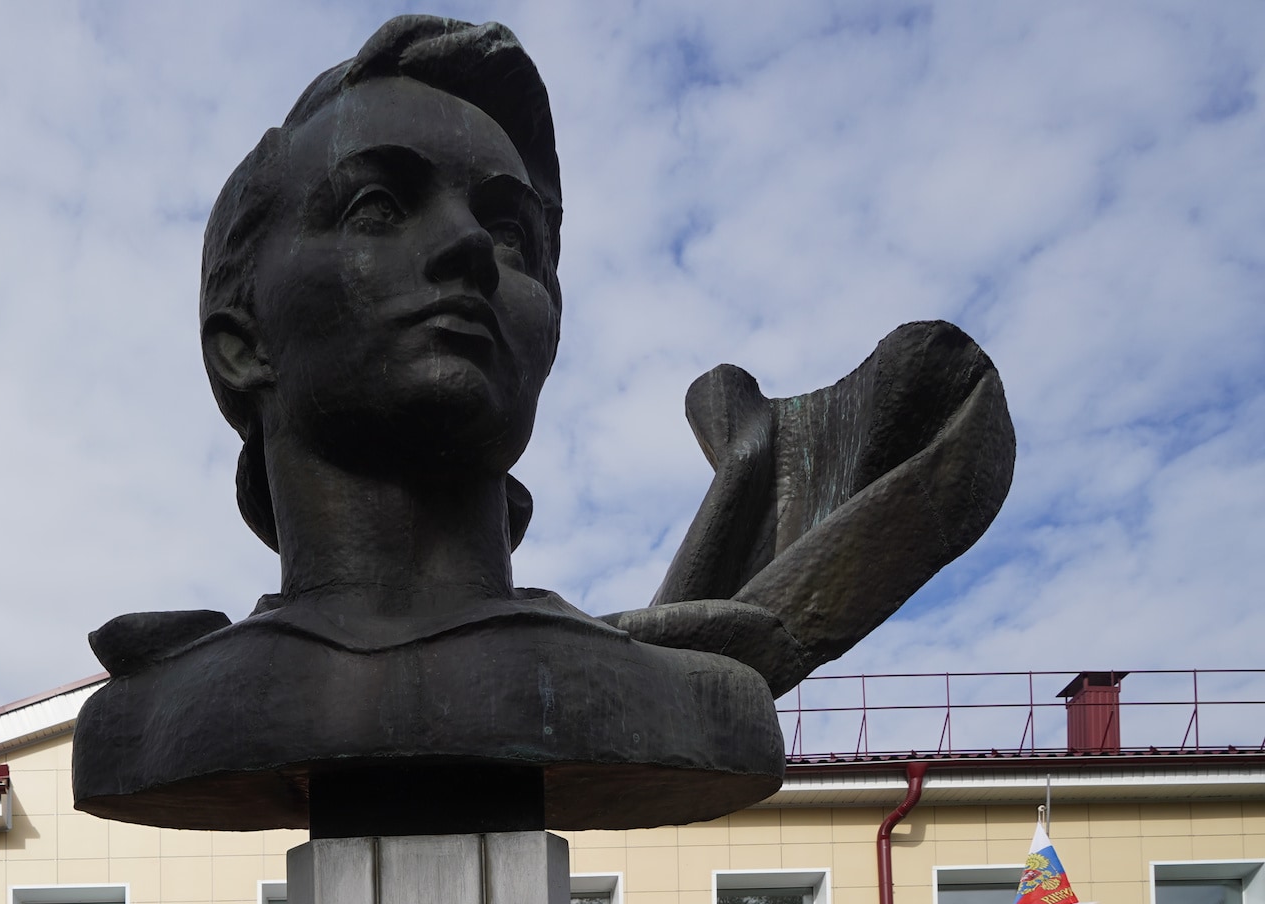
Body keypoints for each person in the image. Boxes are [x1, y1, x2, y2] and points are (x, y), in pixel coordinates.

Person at [71, 16, 1011, 836]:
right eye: (379, 206)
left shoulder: (684, 697)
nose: (470, 248)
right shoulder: (153, 715)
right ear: (242, 344)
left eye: (510, 231)